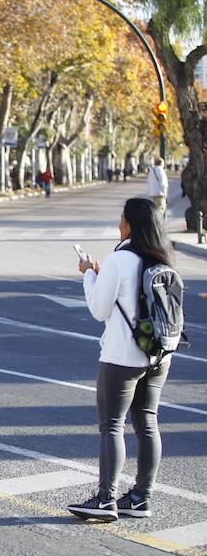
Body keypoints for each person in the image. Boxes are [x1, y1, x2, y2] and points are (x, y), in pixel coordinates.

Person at [68, 198, 177, 522]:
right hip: (158, 354)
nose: (118, 222)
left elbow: (99, 310)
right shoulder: (164, 258)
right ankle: (141, 497)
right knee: (147, 423)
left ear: (129, 223)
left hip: (122, 356)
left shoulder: (120, 259)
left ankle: (105, 500)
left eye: (121, 217)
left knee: (112, 426)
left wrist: (89, 274)